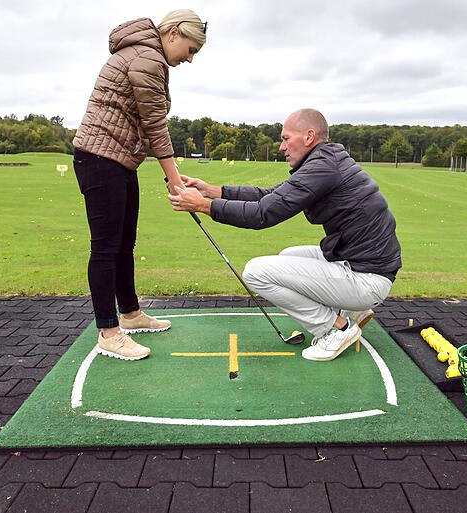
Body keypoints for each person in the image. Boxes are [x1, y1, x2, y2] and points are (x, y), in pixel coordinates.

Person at [168, 108, 402, 361]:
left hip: (367, 279)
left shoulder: (322, 168)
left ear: (309, 136)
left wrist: (203, 206)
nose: (282, 147)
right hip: (360, 265)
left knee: (256, 273)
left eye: (286, 138)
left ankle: (337, 328)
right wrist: (211, 190)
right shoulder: (325, 161)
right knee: (288, 255)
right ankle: (351, 310)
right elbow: (269, 195)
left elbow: (262, 214)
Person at [72, 10, 207, 361]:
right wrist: (176, 182)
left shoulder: (147, 54)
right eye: (190, 50)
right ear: (173, 33)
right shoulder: (148, 57)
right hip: (100, 159)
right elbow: (154, 125)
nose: (189, 59)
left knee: (124, 243)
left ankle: (130, 314)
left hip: (118, 159)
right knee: (105, 247)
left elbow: (149, 122)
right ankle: (108, 332)